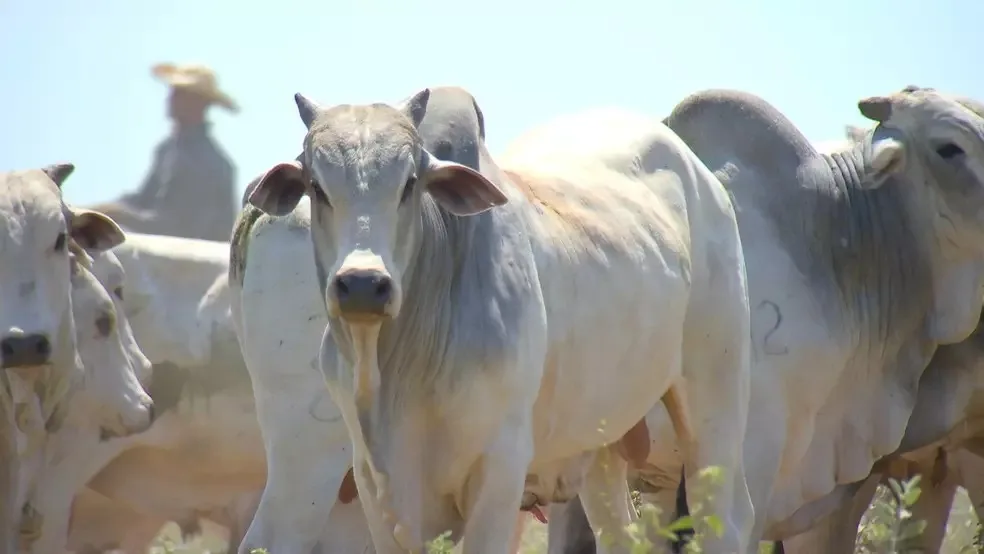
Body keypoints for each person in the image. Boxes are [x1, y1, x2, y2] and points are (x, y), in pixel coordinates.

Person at [96, 63, 239, 242]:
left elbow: (178, 229)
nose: (170, 99)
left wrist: (117, 214)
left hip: (195, 263)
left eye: (179, 94)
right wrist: (98, 211)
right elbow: (142, 200)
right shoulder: (167, 149)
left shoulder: (210, 162)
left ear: (199, 103)